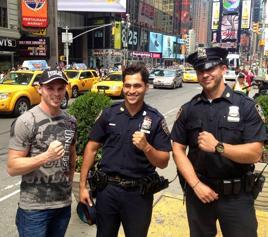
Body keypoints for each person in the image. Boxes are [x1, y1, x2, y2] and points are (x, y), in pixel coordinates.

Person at [171, 47, 266, 237]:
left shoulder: (245, 107)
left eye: (211, 69)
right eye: (200, 71)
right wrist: (196, 185)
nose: (205, 75)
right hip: (199, 193)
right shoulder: (189, 109)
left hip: (236, 197)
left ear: (223, 69)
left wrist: (218, 147)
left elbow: (255, 152)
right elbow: (178, 149)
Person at [79, 63, 171, 237]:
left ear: (146, 87)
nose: (131, 90)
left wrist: (147, 147)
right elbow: (91, 149)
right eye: (127, 85)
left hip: (138, 195)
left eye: (137, 86)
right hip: (108, 191)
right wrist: (83, 187)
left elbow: (164, 161)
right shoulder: (109, 114)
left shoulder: (156, 119)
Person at [7, 69, 77, 237]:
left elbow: (71, 154)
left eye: (60, 88)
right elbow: (12, 167)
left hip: (62, 205)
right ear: (39, 89)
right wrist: (46, 156)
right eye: (50, 88)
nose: (56, 93)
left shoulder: (70, 121)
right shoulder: (26, 121)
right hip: (34, 210)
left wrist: (69, 182)